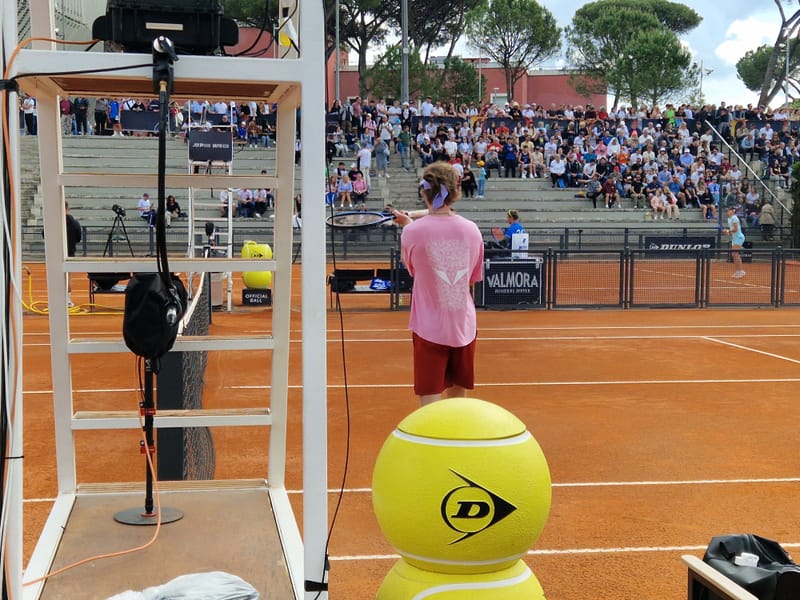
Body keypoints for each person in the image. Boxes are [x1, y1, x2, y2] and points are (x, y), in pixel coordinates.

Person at [391, 162, 484, 406]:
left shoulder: (412, 233)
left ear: (425, 192)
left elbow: (413, 268)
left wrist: (409, 225)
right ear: (456, 190)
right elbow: (473, 277)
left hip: (429, 328)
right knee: (458, 405)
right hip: (463, 326)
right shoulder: (473, 231)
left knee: (429, 405)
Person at [724, 202, 746, 279]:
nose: (727, 212)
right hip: (735, 238)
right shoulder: (729, 219)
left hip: (739, 237)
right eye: (727, 211)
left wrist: (728, 231)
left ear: (732, 211)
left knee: (735, 254)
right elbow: (732, 230)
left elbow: (736, 229)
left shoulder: (734, 218)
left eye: (728, 210)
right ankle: (738, 271)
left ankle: (741, 271)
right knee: (734, 255)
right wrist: (727, 232)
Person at [65, 201, 81, 307]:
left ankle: (55, 299)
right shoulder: (75, 223)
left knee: (54, 276)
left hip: (55, 253)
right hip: (69, 252)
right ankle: (67, 299)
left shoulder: (51, 221)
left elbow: (45, 234)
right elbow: (78, 238)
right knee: (67, 277)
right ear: (67, 209)